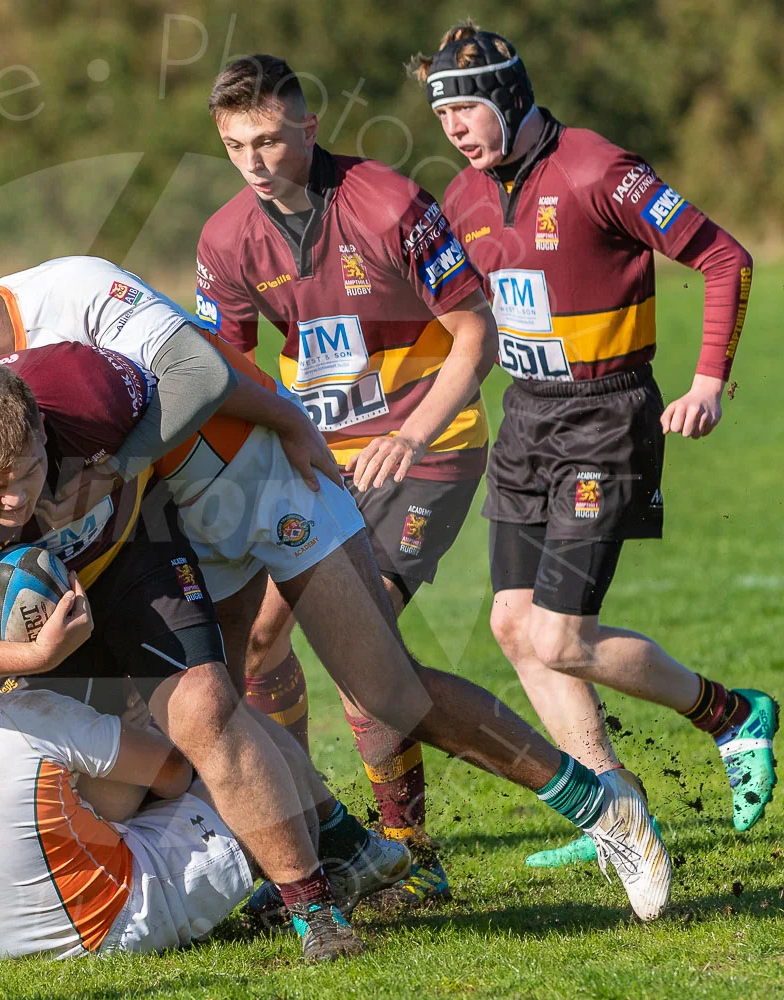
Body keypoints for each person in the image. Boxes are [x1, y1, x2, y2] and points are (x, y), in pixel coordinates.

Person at [0, 263, 674, 923]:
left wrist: (276, 422)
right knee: (212, 712)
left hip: (260, 479)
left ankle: (601, 806)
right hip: (174, 522)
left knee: (389, 693)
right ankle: (344, 854)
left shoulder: (70, 291)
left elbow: (199, 371)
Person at [0, 342, 406, 961]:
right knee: (115, 792)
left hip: (133, 552)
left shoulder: (84, 388)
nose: (14, 500)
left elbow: (201, 375)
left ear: (43, 430)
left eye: (28, 473)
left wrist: (280, 420)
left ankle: (315, 912)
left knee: (205, 710)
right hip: (40, 618)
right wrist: (33, 659)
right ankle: (340, 839)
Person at [411, 22, 779, 867]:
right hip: (526, 419)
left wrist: (708, 381)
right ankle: (614, 803)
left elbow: (725, 258)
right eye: (441, 115)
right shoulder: (463, 197)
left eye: (467, 108)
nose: (455, 128)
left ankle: (732, 715)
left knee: (560, 638)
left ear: (509, 96)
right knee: (513, 623)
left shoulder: (599, 170)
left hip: (607, 419)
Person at [194, 53, 499, 903]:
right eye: (234, 145)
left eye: (267, 140)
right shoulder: (226, 238)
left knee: (362, 647)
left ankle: (405, 850)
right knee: (258, 641)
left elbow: (476, 334)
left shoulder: (390, 204)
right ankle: (299, 832)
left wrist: (410, 434)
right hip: (317, 458)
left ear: (309, 126)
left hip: (430, 446)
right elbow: (227, 372)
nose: (254, 161)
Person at [0, 673, 364, 958]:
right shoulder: (25, 714)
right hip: (118, 920)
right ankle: (339, 856)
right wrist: (142, 716)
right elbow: (174, 774)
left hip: (7, 942)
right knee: (236, 732)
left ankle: (344, 844)